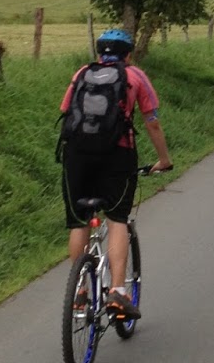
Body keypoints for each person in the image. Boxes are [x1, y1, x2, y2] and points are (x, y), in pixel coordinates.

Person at [59, 27, 173, 318]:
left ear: (99, 53)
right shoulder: (135, 76)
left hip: (76, 156)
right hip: (117, 155)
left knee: (78, 221)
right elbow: (153, 122)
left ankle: (80, 291)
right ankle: (117, 292)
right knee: (117, 218)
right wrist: (163, 160)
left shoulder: (81, 74)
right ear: (128, 54)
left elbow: (65, 111)